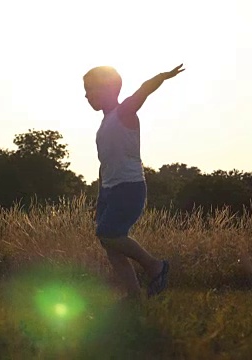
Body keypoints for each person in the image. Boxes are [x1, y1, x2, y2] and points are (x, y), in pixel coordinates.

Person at [83, 63, 185, 300]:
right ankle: (133, 296)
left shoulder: (124, 112)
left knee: (108, 234)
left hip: (129, 187)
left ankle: (155, 266)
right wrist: (100, 199)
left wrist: (163, 76)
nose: (86, 95)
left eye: (90, 89)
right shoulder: (105, 123)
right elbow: (105, 166)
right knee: (111, 246)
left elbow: (144, 90)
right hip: (111, 190)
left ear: (107, 89)